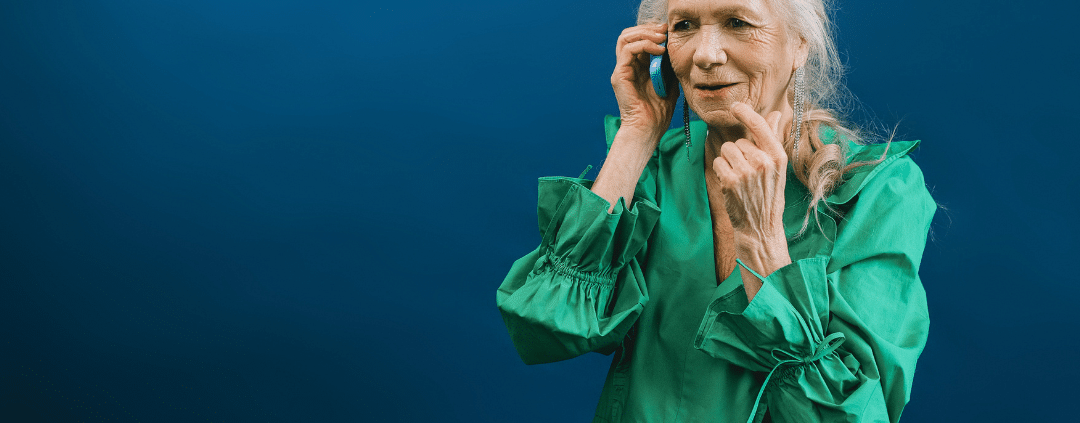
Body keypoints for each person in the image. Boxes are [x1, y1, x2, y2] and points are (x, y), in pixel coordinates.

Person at [496, 0, 935, 421]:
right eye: (684, 25)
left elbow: (850, 417)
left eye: (738, 22)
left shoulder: (881, 192)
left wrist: (762, 240)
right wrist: (636, 132)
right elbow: (544, 325)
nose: (704, 55)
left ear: (800, 42)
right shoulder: (654, 169)